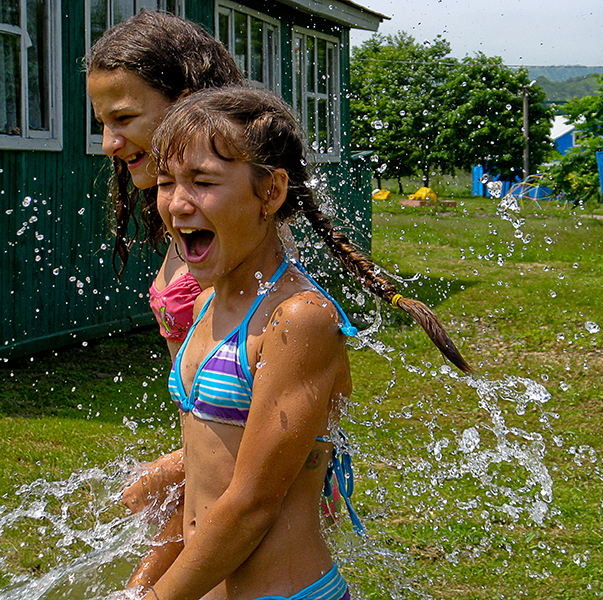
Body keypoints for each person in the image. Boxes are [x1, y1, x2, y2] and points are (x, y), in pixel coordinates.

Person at [136, 85, 469, 600]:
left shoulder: (300, 320)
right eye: (166, 182)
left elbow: (252, 503)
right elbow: (209, 472)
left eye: (202, 181)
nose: (177, 203)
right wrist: (143, 582)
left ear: (270, 192)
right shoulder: (208, 304)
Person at [86, 10, 244, 587]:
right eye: (102, 122)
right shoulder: (192, 226)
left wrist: (178, 465)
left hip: (248, 495)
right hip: (210, 482)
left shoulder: (237, 241)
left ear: (188, 104)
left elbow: (272, 398)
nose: (109, 143)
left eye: (124, 118)